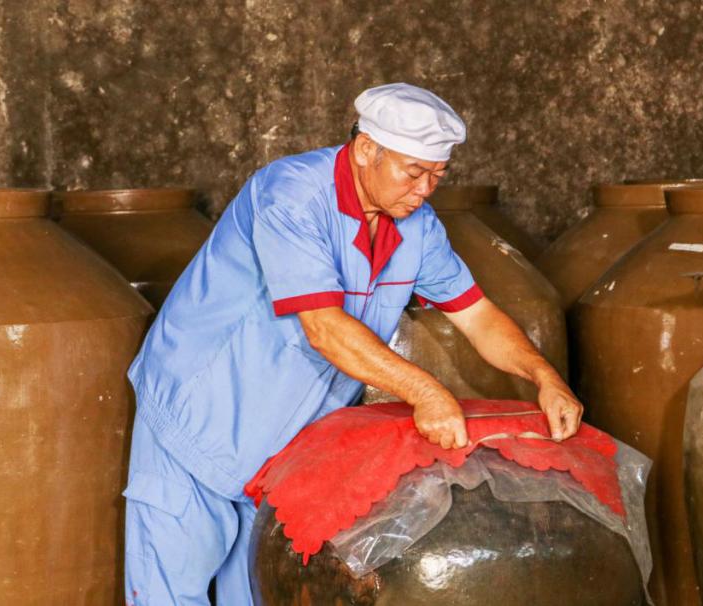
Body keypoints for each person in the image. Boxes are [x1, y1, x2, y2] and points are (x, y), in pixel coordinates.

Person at [122, 82, 584, 605]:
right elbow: (323, 326)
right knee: (171, 586)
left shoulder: (417, 227)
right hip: (201, 409)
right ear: (367, 150)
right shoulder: (292, 195)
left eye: (438, 175)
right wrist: (425, 391)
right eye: (414, 173)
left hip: (285, 437)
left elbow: (476, 316)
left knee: (255, 587)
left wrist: (546, 377)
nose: (426, 189)